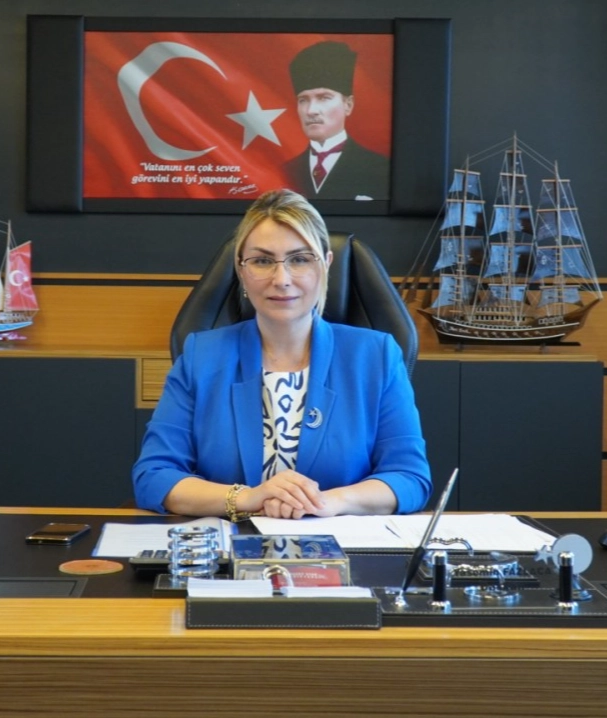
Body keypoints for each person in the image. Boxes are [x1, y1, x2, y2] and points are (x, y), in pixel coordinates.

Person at [132, 189, 430, 520]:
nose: (282, 279)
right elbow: (154, 477)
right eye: (262, 261)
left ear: (326, 265)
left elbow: (409, 479)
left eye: (300, 259)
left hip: (341, 546)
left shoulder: (376, 356)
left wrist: (328, 502)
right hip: (231, 546)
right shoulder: (201, 356)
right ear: (241, 270)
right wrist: (247, 497)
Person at [281, 41, 390, 201]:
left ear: (348, 105)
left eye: (324, 98)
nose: (311, 110)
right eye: (303, 100)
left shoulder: (380, 169)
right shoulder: (285, 172)